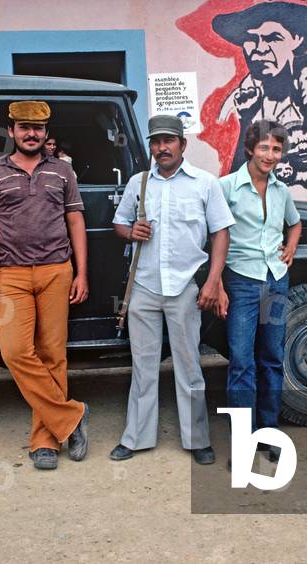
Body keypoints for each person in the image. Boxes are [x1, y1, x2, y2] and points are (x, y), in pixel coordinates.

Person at [110, 114, 236, 464]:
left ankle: (197, 440)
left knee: (189, 364)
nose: (161, 148)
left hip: (184, 287)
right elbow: (119, 224)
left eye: (168, 141)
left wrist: (213, 280)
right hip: (144, 287)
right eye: (155, 142)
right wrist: (131, 230)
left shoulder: (204, 183)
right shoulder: (139, 183)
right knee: (143, 365)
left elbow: (220, 232)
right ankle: (135, 438)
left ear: (183, 144)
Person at [0, 100, 89, 471]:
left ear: (46, 133)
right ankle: (71, 417)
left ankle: (45, 441)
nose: (31, 134)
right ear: (11, 131)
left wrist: (81, 272)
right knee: (15, 352)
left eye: (37, 128)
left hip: (58, 270)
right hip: (12, 275)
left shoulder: (62, 173)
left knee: (53, 354)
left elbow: (75, 222)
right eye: (24, 127)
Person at [218, 121, 302, 465]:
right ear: (251, 148)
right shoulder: (227, 187)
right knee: (241, 360)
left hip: (276, 281)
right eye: (265, 148)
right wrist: (216, 282)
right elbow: (214, 233)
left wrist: (291, 247)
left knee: (271, 357)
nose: (270, 155)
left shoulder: (281, 190)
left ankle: (268, 431)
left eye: (277, 149)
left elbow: (294, 223)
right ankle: (242, 441)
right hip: (241, 281)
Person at [212, 0, 307, 169]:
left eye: (272, 38)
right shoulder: (235, 107)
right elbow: (237, 178)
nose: (260, 48)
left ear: (297, 39)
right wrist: (246, 118)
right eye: (250, 39)